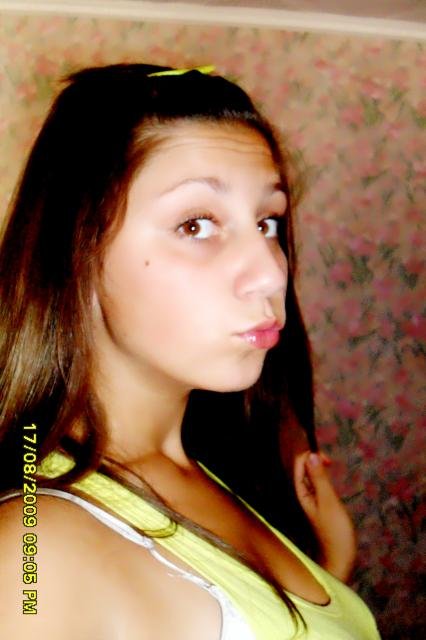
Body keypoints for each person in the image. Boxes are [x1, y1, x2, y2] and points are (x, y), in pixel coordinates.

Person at [0, 63, 380, 639]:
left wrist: (330, 574)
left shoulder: (214, 469)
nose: (270, 272)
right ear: (76, 253)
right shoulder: (35, 552)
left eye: (268, 222)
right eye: (196, 225)